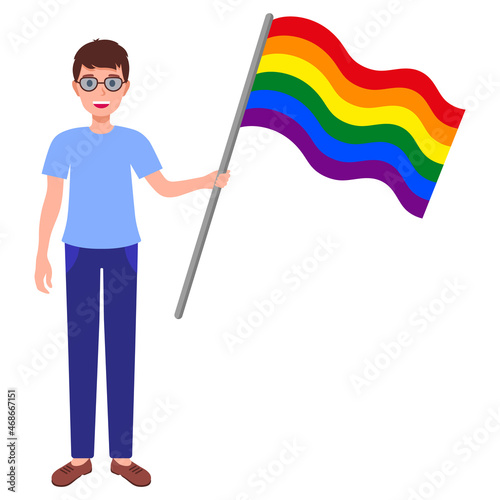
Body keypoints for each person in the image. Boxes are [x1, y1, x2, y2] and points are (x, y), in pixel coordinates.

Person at [35, 39, 230, 488]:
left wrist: (207, 181)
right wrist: (40, 252)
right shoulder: (64, 143)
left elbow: (162, 187)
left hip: (124, 252)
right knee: (82, 354)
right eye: (90, 81)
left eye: (111, 81)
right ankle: (80, 456)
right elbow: (51, 200)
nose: (100, 89)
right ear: (76, 87)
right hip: (78, 252)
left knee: (121, 352)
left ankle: (122, 458)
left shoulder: (133, 141)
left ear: (124, 87)